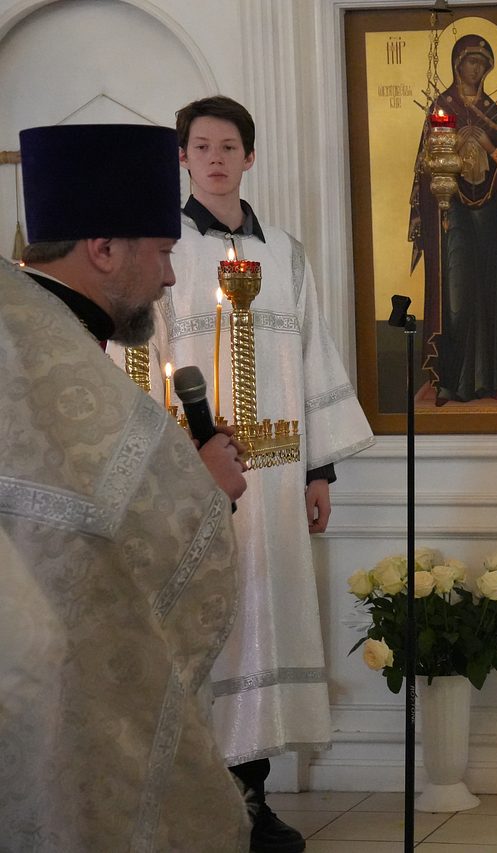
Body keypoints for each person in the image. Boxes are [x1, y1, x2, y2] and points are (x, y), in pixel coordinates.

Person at [0, 123, 249, 851]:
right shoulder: (46, 356)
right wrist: (203, 487)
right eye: (163, 252)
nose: (170, 278)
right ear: (104, 248)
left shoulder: (30, 332)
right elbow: (89, 556)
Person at [156, 95, 374, 853]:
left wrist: (320, 472)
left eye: (229, 146)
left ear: (250, 157)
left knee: (265, 625)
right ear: (183, 157)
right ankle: (204, 800)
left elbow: (313, 355)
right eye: (201, 146)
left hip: (278, 480)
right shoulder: (166, 250)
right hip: (196, 478)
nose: (215, 159)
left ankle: (252, 798)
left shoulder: (284, 252)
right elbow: (147, 358)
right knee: (208, 627)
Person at [408, 34, 497, 405]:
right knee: (456, 296)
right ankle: (449, 382)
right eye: (470, 62)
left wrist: (491, 146)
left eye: (482, 63)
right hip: (453, 216)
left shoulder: (492, 112)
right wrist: (456, 145)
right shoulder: (442, 107)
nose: (476, 69)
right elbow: (424, 167)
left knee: (489, 293)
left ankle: (487, 380)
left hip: (491, 218)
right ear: (456, 64)